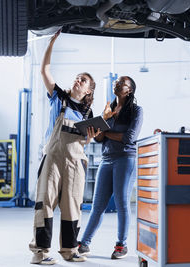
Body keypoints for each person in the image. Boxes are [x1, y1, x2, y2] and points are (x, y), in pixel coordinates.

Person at [29, 30, 100, 264]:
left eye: (83, 80)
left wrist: (89, 138)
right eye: (77, 77)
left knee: (72, 205)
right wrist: (51, 43)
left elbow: (84, 139)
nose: (77, 80)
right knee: (45, 202)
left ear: (88, 90)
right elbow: (44, 71)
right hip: (53, 156)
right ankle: (40, 252)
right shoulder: (59, 97)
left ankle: (70, 250)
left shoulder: (87, 113)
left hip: (75, 160)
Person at [78, 76, 143, 259]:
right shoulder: (109, 110)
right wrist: (99, 128)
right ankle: (84, 243)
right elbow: (99, 139)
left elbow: (129, 138)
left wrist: (105, 132)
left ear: (129, 90)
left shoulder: (136, 111)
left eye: (122, 83)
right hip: (106, 159)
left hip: (125, 159)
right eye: (116, 82)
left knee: (122, 203)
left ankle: (121, 245)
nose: (117, 84)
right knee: (97, 206)